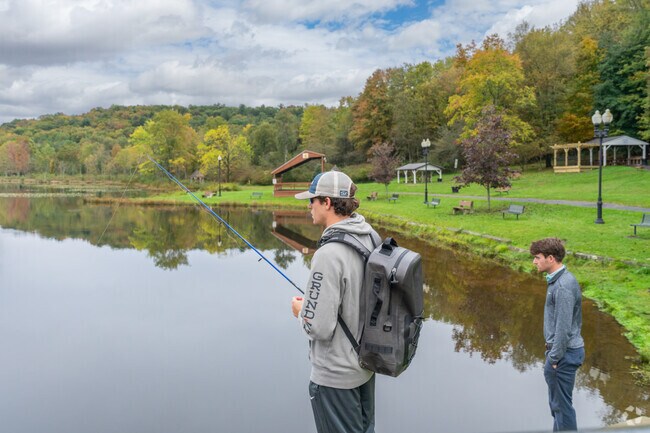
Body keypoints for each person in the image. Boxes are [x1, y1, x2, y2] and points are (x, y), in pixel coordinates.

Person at [291, 170, 376, 433]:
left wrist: (301, 310)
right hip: (364, 367)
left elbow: (317, 327)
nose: (309, 206)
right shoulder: (369, 236)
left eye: (313, 200)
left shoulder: (328, 254)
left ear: (327, 203)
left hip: (335, 377)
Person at [530, 238, 585, 432]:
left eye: (537, 258)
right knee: (558, 408)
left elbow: (563, 328)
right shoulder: (559, 280)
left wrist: (553, 358)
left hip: (563, 355)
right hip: (563, 354)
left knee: (562, 409)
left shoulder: (562, 287)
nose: (534, 262)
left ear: (551, 258)